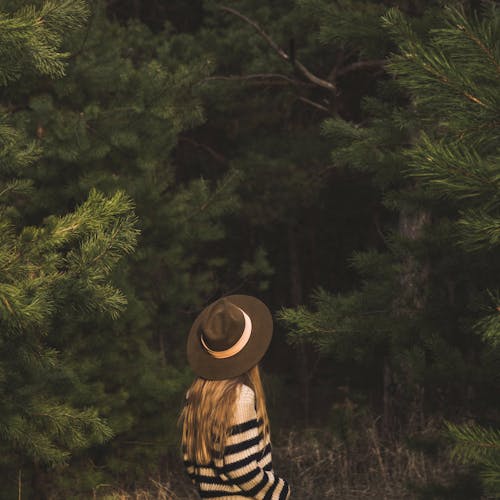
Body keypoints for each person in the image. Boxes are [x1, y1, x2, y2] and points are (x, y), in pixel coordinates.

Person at [180, 294, 291, 499]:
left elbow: (189, 460)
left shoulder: (195, 394)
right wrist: (279, 491)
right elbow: (241, 468)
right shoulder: (241, 398)